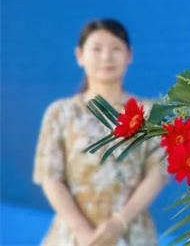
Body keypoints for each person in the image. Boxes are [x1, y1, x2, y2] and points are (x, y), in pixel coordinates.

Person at [33, 19, 167, 246]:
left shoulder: (149, 112)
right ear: (79, 55)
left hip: (133, 234)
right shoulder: (60, 113)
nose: (106, 57)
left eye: (116, 48)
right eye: (96, 49)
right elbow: (50, 176)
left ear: (129, 55)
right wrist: (82, 231)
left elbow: (157, 172)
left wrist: (119, 223)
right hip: (71, 236)